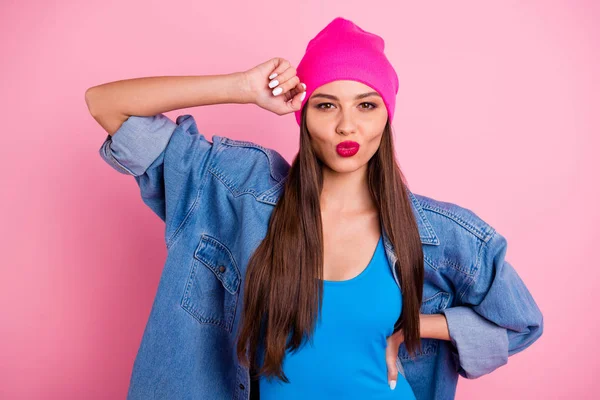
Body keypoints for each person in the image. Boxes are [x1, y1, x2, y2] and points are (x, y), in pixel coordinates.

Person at [86, 16, 543, 400]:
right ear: (304, 115)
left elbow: (520, 324)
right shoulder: (239, 193)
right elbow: (106, 104)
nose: (348, 125)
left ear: (387, 115)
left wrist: (422, 325)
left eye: (366, 105)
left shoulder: (437, 233)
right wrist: (243, 87)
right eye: (327, 105)